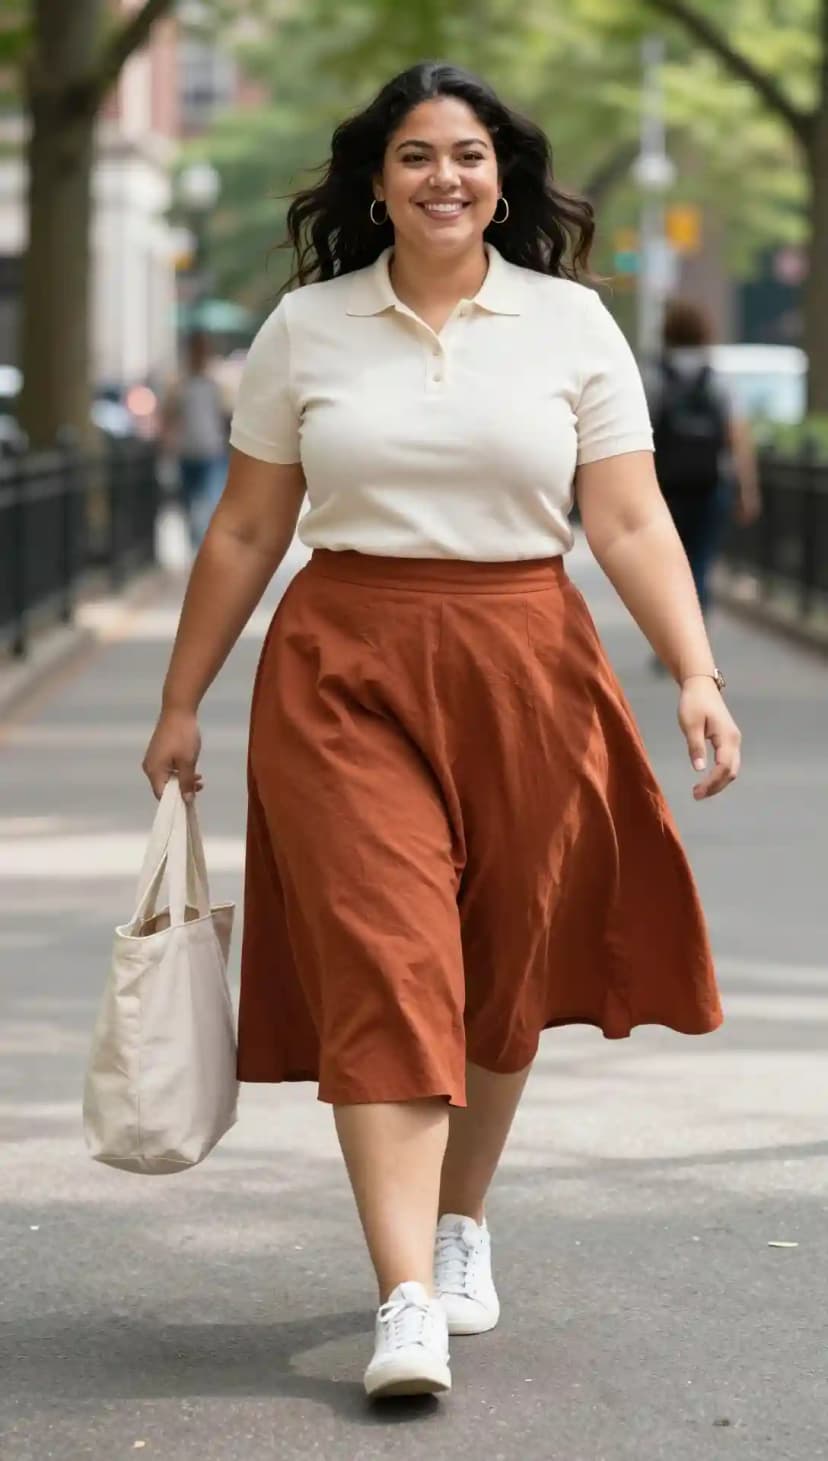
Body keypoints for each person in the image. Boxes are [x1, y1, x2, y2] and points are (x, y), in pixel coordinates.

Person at [141, 62, 741, 1403]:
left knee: (497, 963)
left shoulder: (574, 323)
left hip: (528, 662)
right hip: (342, 661)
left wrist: (695, 673)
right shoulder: (307, 327)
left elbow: (631, 519)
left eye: (467, 155)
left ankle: (462, 1222)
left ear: (504, 176)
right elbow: (245, 526)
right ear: (376, 180)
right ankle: (404, 1294)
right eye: (416, 156)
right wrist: (179, 698)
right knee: (385, 956)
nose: (444, 179)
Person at [648, 298, 761, 617]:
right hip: (711, 485)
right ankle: (696, 633)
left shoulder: (654, 377)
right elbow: (737, 437)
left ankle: (674, 634)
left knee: (671, 562)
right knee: (701, 559)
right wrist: (747, 490)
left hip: (665, 487)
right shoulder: (718, 380)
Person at [162, 331, 229, 548]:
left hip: (211, 452)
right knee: (189, 504)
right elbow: (168, 418)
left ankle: (205, 547)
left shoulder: (215, 386)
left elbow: (226, 418)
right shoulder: (179, 386)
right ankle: (197, 547)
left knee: (209, 503)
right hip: (187, 453)